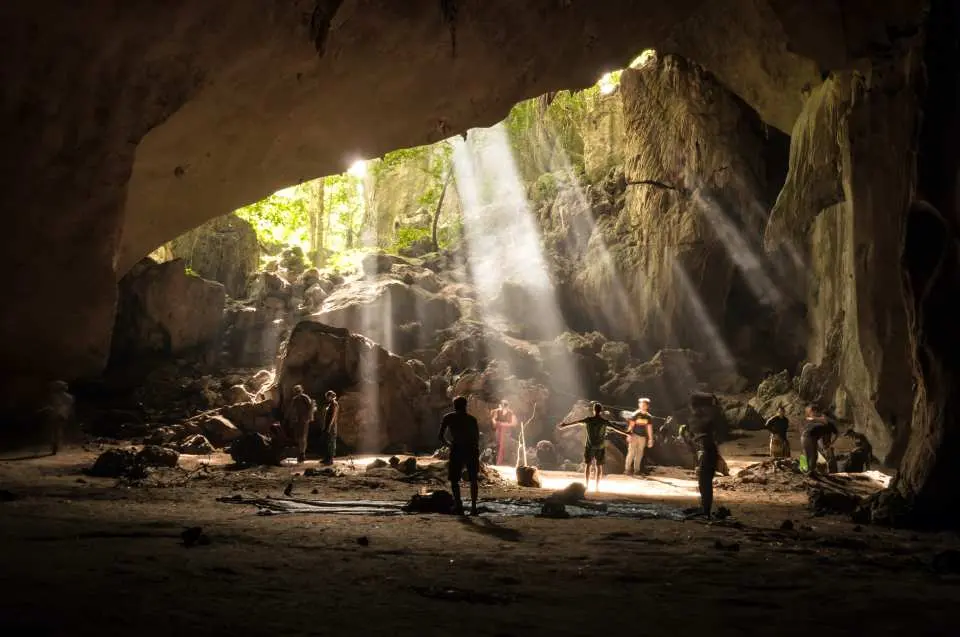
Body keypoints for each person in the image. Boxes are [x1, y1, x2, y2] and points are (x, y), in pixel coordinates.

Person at [558, 402, 629, 493]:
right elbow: (616, 428)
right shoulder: (604, 421)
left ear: (593, 410)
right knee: (599, 467)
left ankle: (587, 484)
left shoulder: (589, 420)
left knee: (588, 465)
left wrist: (565, 425)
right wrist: (627, 433)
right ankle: (597, 486)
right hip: (599, 446)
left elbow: (576, 423)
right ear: (601, 411)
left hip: (590, 446)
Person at [438, 396, 481, 516]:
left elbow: (440, 436)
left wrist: (449, 445)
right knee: (473, 479)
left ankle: (459, 506)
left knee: (454, 479)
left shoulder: (449, 417)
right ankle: (473, 508)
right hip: (472, 449)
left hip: (457, 449)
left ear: (454, 405)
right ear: (465, 405)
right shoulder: (472, 419)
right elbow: (477, 438)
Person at [687, 392, 723, 518]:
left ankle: (706, 510)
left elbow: (695, 432)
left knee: (704, 482)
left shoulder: (701, 418)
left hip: (706, 451)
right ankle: (705, 508)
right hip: (707, 451)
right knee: (704, 482)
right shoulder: (709, 416)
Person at [37, 380, 74, 455]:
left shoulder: (54, 396)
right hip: (63, 415)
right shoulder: (69, 397)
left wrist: (43, 409)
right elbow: (70, 407)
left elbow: (51, 406)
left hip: (56, 415)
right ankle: (57, 445)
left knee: (54, 431)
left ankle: (55, 446)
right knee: (58, 430)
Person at [801, 403, 839, 475]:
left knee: (814, 456)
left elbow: (836, 433)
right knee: (811, 455)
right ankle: (809, 471)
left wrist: (831, 443)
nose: (822, 417)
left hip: (811, 438)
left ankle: (812, 471)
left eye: (824, 416)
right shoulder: (819, 423)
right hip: (809, 437)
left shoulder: (827, 423)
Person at [285, 385, 316, 463]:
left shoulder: (305, 398)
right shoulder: (295, 399)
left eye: (298, 390)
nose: (297, 392)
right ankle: (300, 453)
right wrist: (290, 418)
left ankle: (302, 454)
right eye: (296, 390)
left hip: (304, 420)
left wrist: (308, 417)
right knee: (299, 437)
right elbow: (291, 409)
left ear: (302, 390)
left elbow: (311, 407)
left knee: (302, 437)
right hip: (297, 421)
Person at [624, 397, 654, 475]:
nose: (642, 406)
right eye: (640, 404)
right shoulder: (635, 414)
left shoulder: (649, 417)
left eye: (644, 405)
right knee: (631, 452)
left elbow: (649, 428)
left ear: (647, 406)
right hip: (634, 435)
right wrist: (629, 435)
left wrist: (650, 439)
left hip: (643, 437)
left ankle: (636, 470)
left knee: (639, 454)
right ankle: (627, 470)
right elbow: (631, 426)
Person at [490, 399, 517, 465]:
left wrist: (504, 424)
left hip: (506, 432)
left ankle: (501, 462)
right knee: (498, 445)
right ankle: (497, 462)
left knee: (504, 446)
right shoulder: (496, 411)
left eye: (505, 405)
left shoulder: (511, 413)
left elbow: (514, 423)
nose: (504, 407)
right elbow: (493, 420)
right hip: (499, 431)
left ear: (507, 406)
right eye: (503, 405)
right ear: (501, 405)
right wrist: (497, 423)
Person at [319, 390, 340, 465]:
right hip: (327, 425)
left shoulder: (334, 404)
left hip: (331, 426)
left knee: (331, 442)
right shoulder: (329, 404)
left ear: (331, 396)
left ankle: (330, 459)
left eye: (328, 397)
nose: (327, 398)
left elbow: (333, 416)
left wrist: (329, 426)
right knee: (327, 442)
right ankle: (326, 458)